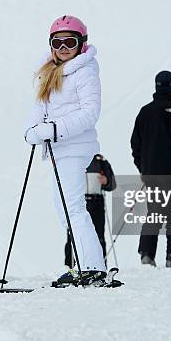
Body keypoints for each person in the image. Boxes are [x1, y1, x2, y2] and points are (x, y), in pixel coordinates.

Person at [24, 15, 107, 285]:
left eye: (69, 42)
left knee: (73, 209)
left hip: (75, 147)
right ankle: (81, 265)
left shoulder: (85, 72)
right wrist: (32, 131)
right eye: (56, 42)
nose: (63, 48)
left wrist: (53, 129)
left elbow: (90, 113)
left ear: (81, 44)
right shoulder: (48, 73)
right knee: (65, 211)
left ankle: (93, 267)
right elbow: (39, 109)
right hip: (58, 150)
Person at [131, 70, 171, 268]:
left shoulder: (145, 111)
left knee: (155, 213)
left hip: (151, 174)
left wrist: (142, 167)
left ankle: (147, 254)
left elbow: (136, 144)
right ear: (169, 87)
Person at [64, 153, 116, 268]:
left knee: (98, 236)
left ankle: (101, 267)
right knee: (73, 235)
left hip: (96, 202)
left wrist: (106, 181)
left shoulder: (101, 162)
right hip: (78, 201)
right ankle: (69, 267)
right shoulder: (74, 159)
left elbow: (112, 184)